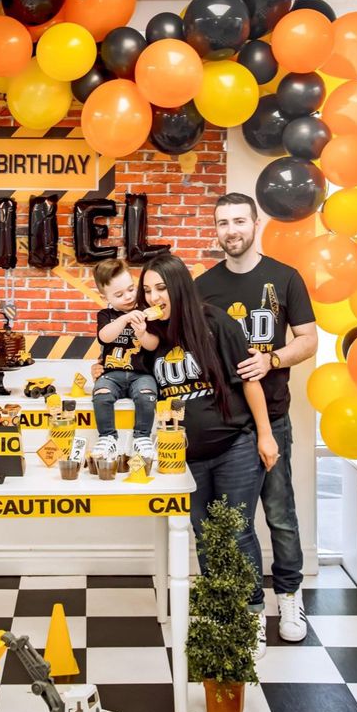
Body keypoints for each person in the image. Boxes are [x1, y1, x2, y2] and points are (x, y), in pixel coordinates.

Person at [139, 252, 278, 659]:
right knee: (204, 537)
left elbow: (249, 382)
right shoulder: (154, 336)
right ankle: (223, 613)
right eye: (147, 290)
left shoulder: (217, 322)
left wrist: (265, 437)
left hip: (235, 444)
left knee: (236, 532)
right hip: (184, 457)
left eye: (161, 287)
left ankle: (252, 617)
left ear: (179, 285)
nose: (154, 296)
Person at [195, 192, 317, 644]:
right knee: (234, 523)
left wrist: (273, 361)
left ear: (256, 222)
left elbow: (308, 340)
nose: (231, 230)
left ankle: (288, 598)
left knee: (280, 515)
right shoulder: (202, 286)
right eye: (223, 223)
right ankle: (242, 607)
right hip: (225, 426)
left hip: (275, 420)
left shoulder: (285, 278)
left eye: (239, 221)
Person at [91, 258, 160, 462]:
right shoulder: (106, 315)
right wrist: (123, 319)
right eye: (119, 295)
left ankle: (142, 437)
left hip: (142, 374)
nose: (128, 297)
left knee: (146, 395)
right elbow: (105, 337)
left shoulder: (146, 312)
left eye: (131, 289)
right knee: (101, 394)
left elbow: (153, 345)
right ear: (104, 296)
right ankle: (107, 437)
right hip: (112, 374)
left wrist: (142, 335)